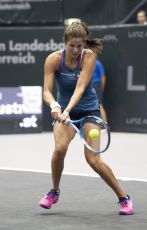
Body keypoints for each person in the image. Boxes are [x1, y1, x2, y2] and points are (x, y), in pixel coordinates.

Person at [39, 21, 134, 215]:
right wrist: (56, 106)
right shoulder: (53, 59)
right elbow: (47, 91)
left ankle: (123, 198)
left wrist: (67, 110)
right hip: (65, 110)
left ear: (84, 44)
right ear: (65, 42)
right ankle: (54, 191)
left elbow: (80, 88)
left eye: (79, 46)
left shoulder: (89, 56)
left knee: (93, 160)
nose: (75, 49)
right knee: (59, 149)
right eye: (71, 45)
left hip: (90, 111)